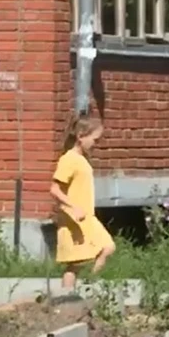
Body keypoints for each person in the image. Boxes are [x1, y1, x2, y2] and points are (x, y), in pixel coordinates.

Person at [50, 115, 116, 289]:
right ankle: (69, 297)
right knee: (75, 264)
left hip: (87, 218)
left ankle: (88, 285)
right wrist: (73, 207)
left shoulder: (81, 160)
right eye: (95, 139)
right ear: (81, 136)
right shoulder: (69, 159)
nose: (96, 144)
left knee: (107, 247)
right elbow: (55, 189)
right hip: (74, 221)